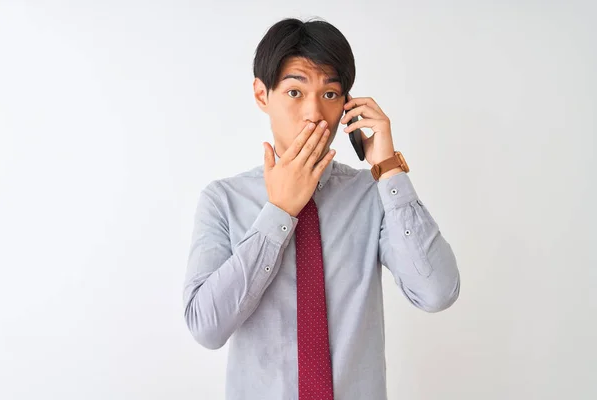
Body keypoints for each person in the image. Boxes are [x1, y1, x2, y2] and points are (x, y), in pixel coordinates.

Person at [183, 17, 460, 400]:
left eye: (330, 94)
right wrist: (279, 212)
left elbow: (437, 292)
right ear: (262, 95)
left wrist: (388, 168)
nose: (314, 113)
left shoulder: (373, 195)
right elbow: (206, 327)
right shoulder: (223, 200)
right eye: (295, 92)